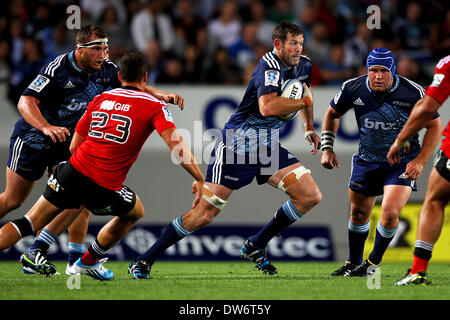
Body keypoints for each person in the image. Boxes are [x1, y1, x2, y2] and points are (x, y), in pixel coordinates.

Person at [127, 21, 322, 279]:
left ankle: (255, 245)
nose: (298, 49)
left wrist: (308, 127)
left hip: (267, 147)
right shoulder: (268, 68)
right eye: (292, 43)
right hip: (236, 147)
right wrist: (304, 101)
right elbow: (268, 107)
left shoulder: (303, 65)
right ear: (278, 44)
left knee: (309, 196)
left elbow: (304, 94)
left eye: (300, 43)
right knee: (204, 215)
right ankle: (143, 260)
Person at [0, 51, 204, 281]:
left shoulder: (100, 98)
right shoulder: (155, 106)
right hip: (103, 183)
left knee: (29, 221)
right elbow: (177, 147)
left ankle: (38, 250)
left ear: (120, 75)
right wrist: (199, 177)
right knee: (135, 211)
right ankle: (88, 261)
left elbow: (74, 145)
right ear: (145, 77)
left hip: (71, 169)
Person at [321, 48, 442, 277]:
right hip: (367, 160)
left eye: (383, 71)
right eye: (373, 71)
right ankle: (353, 263)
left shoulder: (413, 92)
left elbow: (434, 125)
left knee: (388, 212)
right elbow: (331, 114)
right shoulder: (351, 88)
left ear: (392, 71)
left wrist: (419, 161)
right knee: (358, 214)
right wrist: (327, 148)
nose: (377, 76)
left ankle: (372, 264)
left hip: (401, 162)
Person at [387, 55, 450, 285]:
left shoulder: (448, 63)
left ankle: (418, 271)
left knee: (435, 200)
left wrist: (401, 139)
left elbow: (427, 107)